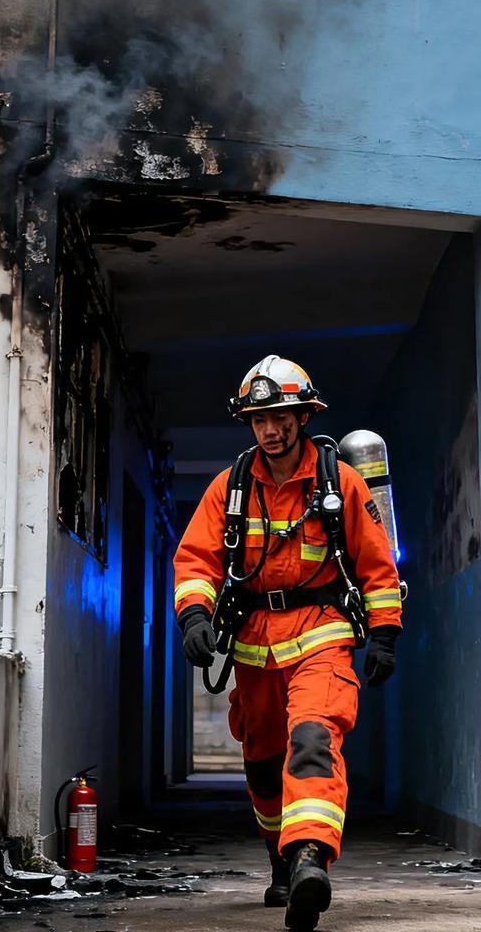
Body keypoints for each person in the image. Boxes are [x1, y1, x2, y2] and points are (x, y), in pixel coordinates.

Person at [173, 356, 403, 930]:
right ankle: (281, 859)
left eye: (280, 417)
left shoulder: (340, 483)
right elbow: (196, 560)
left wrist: (384, 636)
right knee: (261, 764)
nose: (270, 430)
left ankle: (309, 858)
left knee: (313, 739)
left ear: (303, 415)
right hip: (253, 646)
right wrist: (195, 617)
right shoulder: (229, 489)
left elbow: (377, 568)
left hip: (321, 635)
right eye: (258, 420)